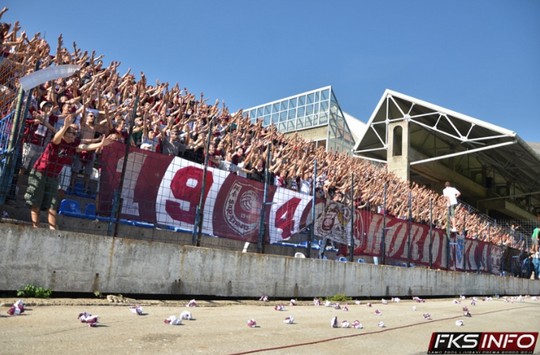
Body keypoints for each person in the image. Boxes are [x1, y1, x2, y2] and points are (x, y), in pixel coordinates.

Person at [24, 114, 112, 229]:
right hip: (40, 173)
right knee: (36, 202)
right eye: (71, 133)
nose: (74, 136)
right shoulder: (57, 142)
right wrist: (65, 126)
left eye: (75, 134)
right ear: (65, 134)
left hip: (53, 176)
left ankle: (52, 228)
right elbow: (56, 138)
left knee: (52, 204)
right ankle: (36, 226)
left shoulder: (72, 145)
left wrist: (100, 144)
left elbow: (84, 147)